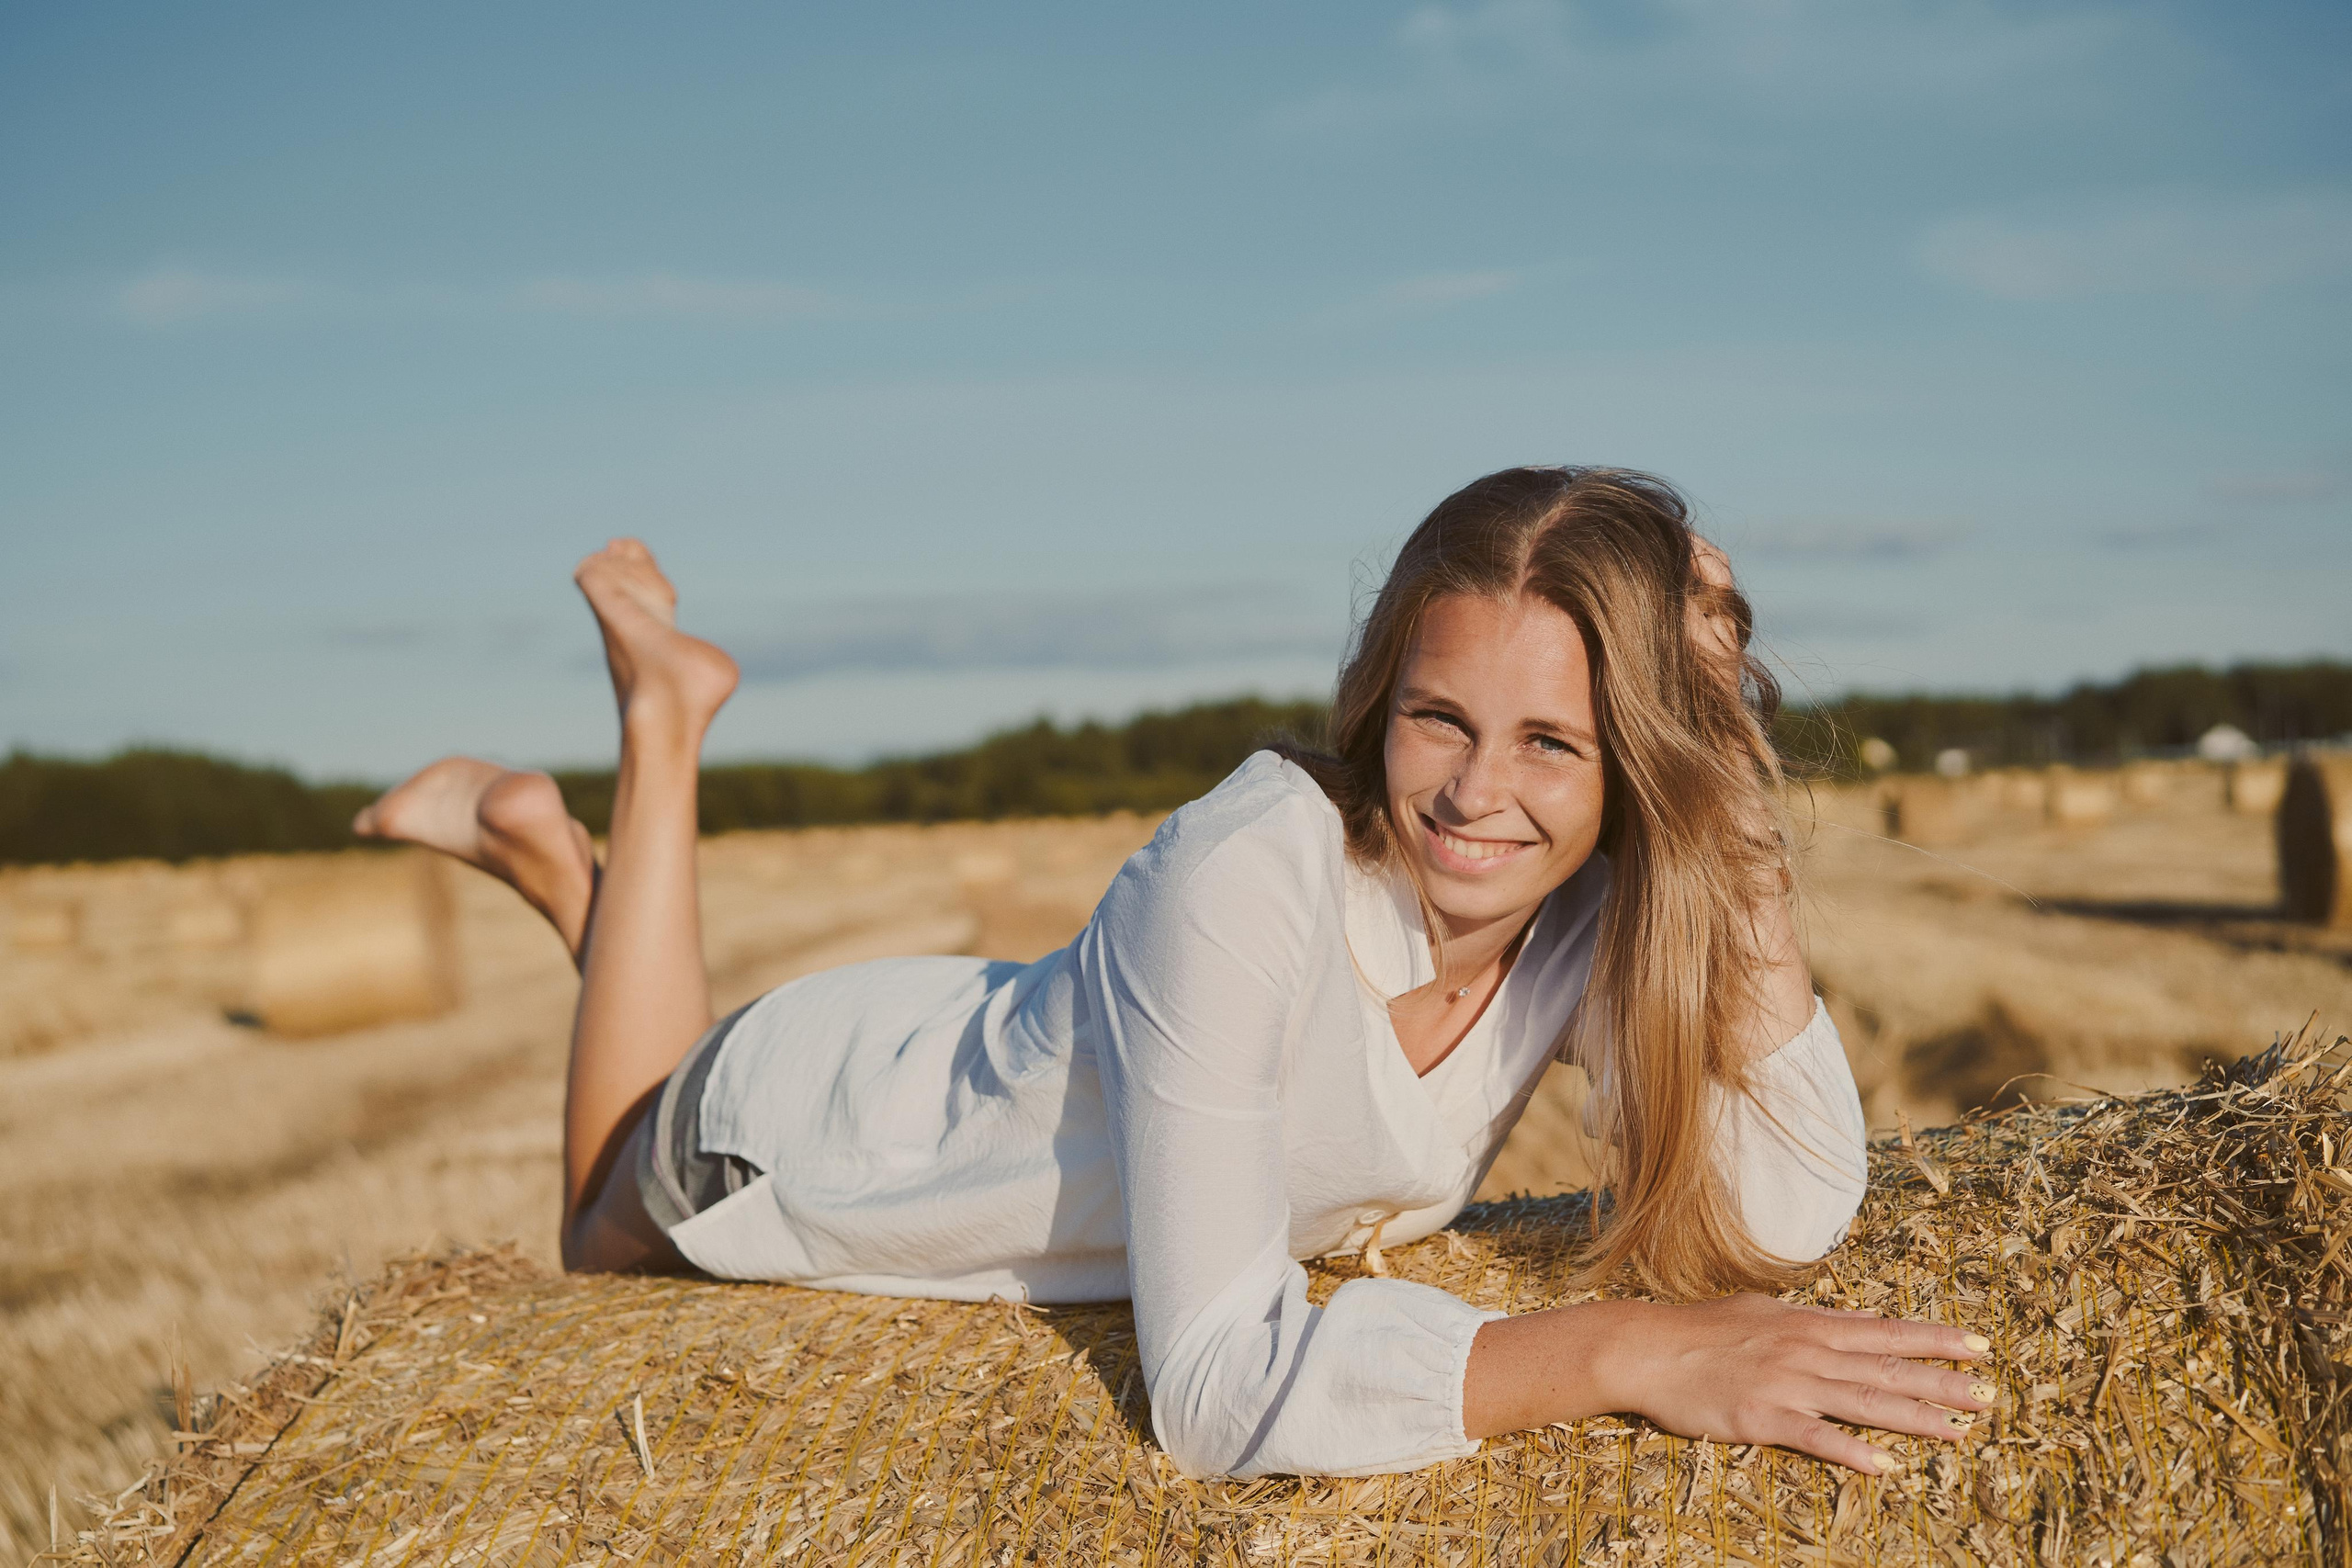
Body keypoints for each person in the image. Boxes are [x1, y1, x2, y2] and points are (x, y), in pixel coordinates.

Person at [356, 466, 1993, 1481]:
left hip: (993, 1040)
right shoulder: (1240, 874)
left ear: (1631, 756)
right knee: (592, 1235)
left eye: (1554, 742)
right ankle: (660, 726)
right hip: (818, 1121)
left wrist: (1732, 778)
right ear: (1376, 701)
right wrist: (1632, 1351)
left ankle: (559, 865)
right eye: (1441, 720)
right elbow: (1210, 1391)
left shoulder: (1586, 921)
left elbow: (1785, 1210)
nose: (1479, 794)